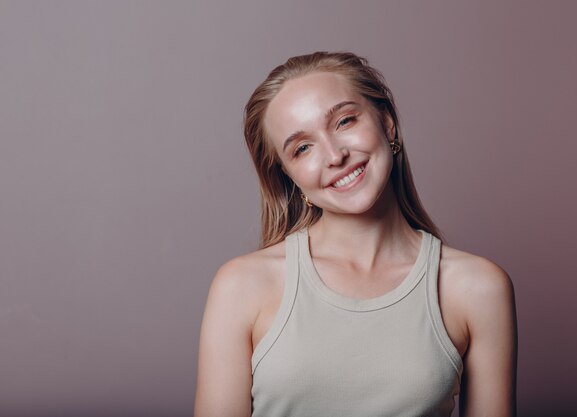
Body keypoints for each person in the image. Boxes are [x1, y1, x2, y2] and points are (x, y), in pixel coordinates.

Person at [194, 51, 517, 417]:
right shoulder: (242, 285)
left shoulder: (476, 287)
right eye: (302, 148)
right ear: (288, 176)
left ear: (388, 123)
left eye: (345, 121)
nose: (334, 155)